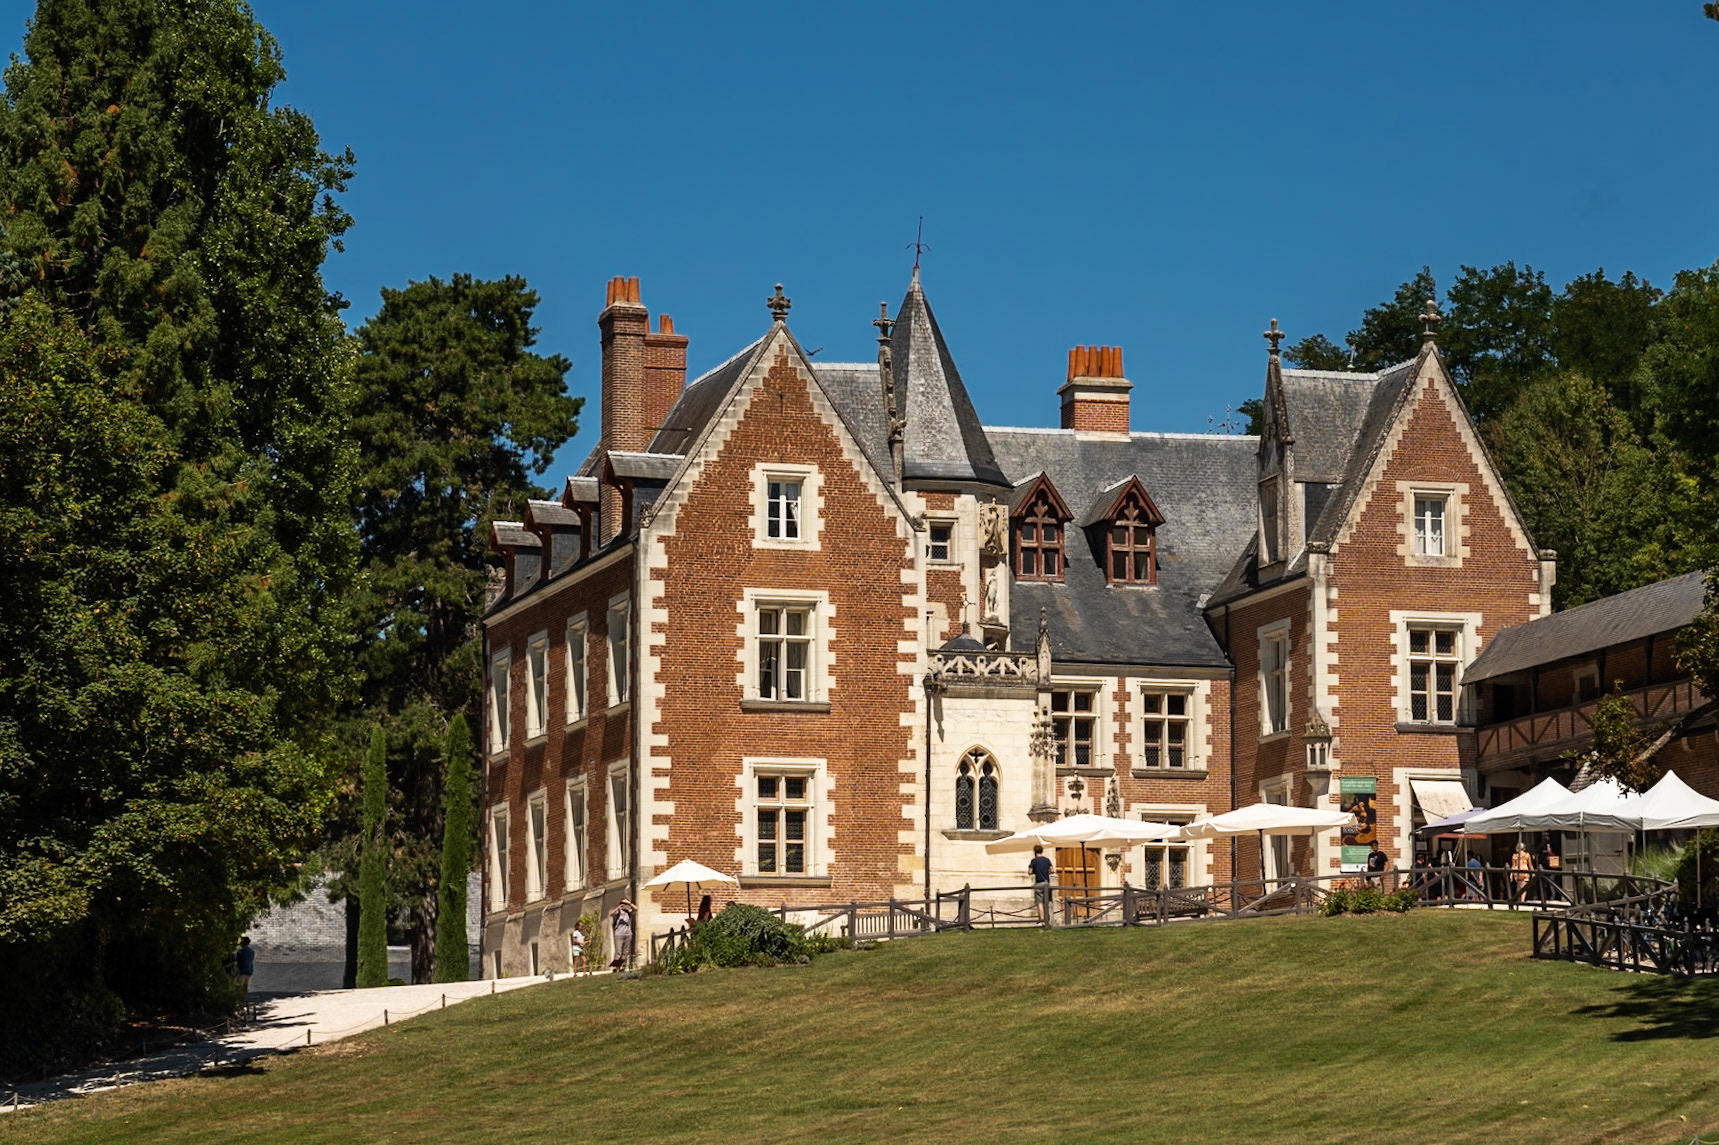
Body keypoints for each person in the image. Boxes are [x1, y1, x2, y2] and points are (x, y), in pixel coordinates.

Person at [1028, 844, 1053, 923]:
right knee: (1047, 902)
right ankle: (1048, 919)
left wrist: (1034, 871)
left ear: (1035, 852)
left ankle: (1042, 920)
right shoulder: (1047, 860)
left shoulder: (1034, 861)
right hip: (1046, 882)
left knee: (1039, 903)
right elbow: (1052, 870)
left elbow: (1030, 872)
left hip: (1039, 883)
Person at [608, 899, 635, 971]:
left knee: (625, 952)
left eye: (625, 903)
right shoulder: (618, 911)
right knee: (618, 952)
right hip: (619, 934)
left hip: (628, 934)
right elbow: (610, 914)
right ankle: (615, 967)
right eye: (622, 903)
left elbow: (636, 909)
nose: (623, 904)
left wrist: (629, 904)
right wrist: (618, 908)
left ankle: (620, 966)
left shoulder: (629, 911)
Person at [232, 936, 255, 1001]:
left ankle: (238, 1001)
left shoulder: (240, 951)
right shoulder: (251, 951)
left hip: (242, 971)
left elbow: (238, 962)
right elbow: (251, 960)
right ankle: (243, 1000)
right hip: (249, 971)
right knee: (245, 987)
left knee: (238, 987)